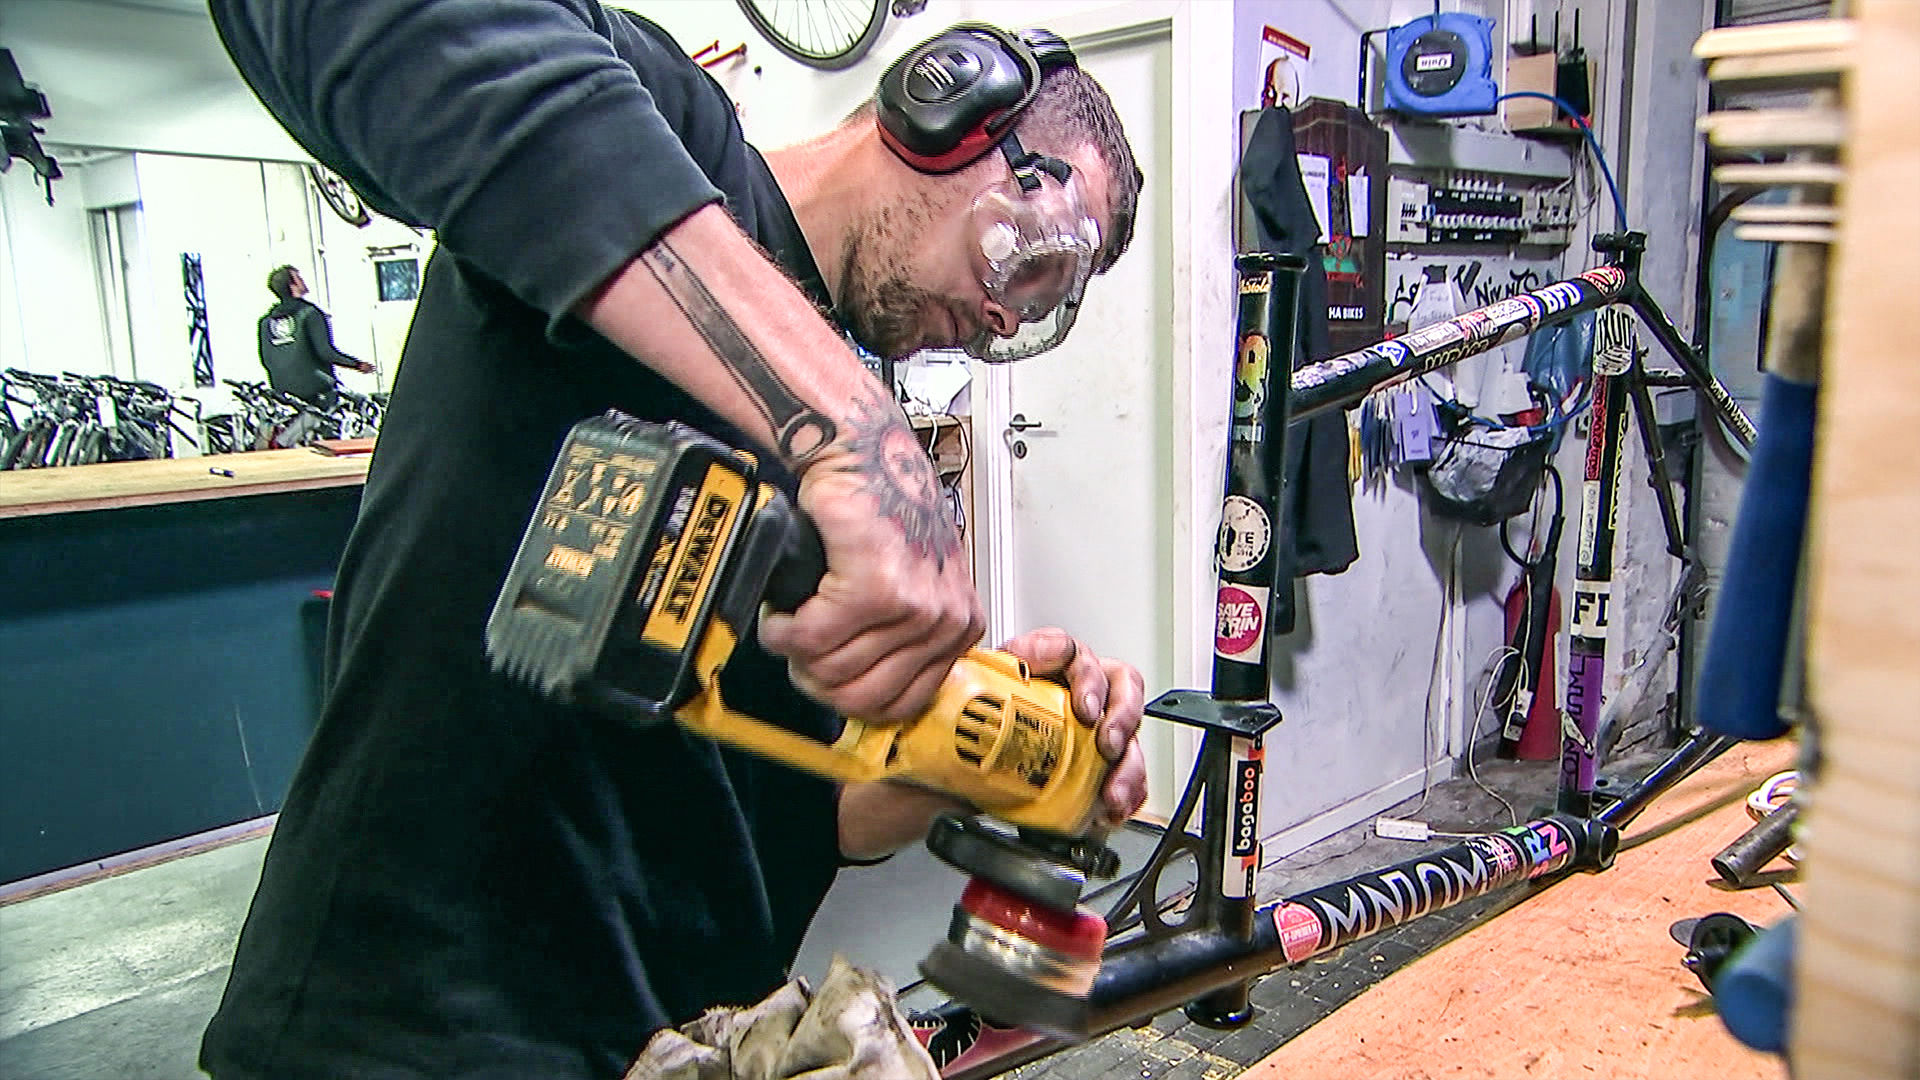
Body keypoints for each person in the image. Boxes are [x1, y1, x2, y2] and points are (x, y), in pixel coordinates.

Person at [200, 3, 1148, 1077]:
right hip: (413, 1024)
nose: (1007, 320)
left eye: (1049, 306)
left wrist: (993, 752)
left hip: (680, 1041)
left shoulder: (850, 404)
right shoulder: (674, 138)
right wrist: (850, 426)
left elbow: (809, 812)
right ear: (952, 107)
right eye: (1030, 261)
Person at [256, 264, 374, 407]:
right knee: (358, 406)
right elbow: (325, 352)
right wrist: (357, 364)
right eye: (299, 278)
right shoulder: (309, 313)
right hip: (318, 390)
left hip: (283, 394)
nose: (303, 281)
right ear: (292, 285)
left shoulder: (265, 322)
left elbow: (266, 359)